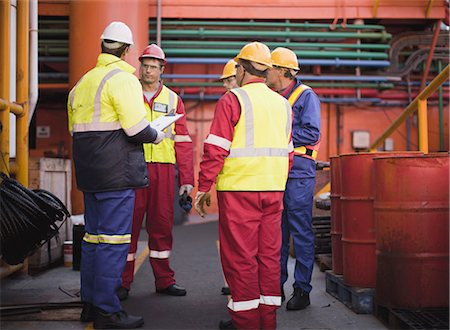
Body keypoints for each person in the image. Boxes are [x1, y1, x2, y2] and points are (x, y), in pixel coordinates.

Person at [67, 22, 165, 329]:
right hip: (117, 174)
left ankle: (90, 304)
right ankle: (108, 311)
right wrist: (157, 136)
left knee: (94, 240)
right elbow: (136, 129)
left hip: (90, 174)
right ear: (126, 50)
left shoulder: (82, 83)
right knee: (113, 242)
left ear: (101, 46)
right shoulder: (123, 79)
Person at [195, 41, 293, 330]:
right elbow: (288, 154)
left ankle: (247, 323)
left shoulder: (233, 100)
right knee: (269, 258)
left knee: (241, 260)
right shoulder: (283, 104)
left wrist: (203, 188)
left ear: (243, 68)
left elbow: (216, 149)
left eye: (236, 66)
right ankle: (267, 322)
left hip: (239, 192)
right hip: (273, 192)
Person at [117, 44, 194, 300]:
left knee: (161, 226)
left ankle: (164, 280)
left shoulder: (173, 100)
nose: (148, 71)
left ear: (162, 69)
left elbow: (183, 142)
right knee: (129, 227)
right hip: (133, 167)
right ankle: (123, 282)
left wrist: (187, 180)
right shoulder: (128, 94)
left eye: (153, 66)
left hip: (162, 170)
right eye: (145, 65)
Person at [266, 47, 321, 311]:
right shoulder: (271, 96)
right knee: (277, 232)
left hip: (298, 172)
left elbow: (311, 133)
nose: (266, 72)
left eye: (269, 68)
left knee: (300, 231)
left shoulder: (305, 96)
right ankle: (275, 285)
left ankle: (302, 289)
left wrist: (278, 133)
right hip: (276, 171)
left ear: (281, 71)